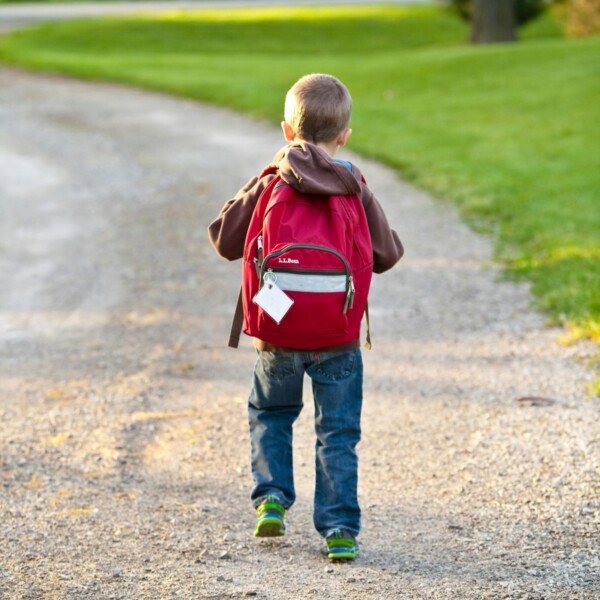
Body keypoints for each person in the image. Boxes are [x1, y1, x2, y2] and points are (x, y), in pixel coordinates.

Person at [208, 73, 403, 560]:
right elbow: (387, 254)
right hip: (338, 336)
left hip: (277, 334)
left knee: (271, 414)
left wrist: (264, 176)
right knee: (337, 432)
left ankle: (272, 498)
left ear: (286, 131)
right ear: (344, 136)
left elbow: (224, 239)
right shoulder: (353, 182)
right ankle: (339, 530)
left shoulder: (273, 180)